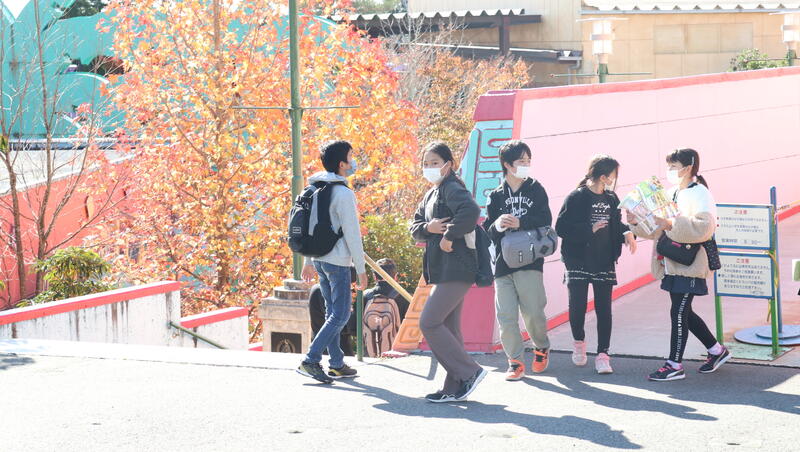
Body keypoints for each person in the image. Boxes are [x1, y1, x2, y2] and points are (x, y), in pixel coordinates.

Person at [627, 148, 730, 382]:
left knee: (679, 311)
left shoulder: (701, 193)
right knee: (684, 311)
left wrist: (671, 222)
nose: (670, 171)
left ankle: (674, 364)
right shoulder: (671, 192)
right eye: (669, 166)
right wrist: (636, 223)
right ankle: (716, 350)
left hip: (691, 262)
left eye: (674, 166)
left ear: (688, 167)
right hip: (673, 261)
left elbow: (704, 228)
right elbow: (658, 228)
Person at [410, 141, 487, 403]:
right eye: (426, 163)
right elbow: (414, 227)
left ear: (448, 165)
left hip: (458, 266)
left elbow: (471, 211)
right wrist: (429, 228)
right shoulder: (432, 193)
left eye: (435, 163)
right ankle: (453, 388)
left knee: (429, 322)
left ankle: (469, 371)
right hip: (443, 269)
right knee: (449, 328)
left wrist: (449, 235)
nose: (429, 167)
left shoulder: (451, 187)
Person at [556, 155, 637, 375]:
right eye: (613, 175)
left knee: (604, 309)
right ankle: (579, 342)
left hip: (604, 258)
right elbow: (561, 227)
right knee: (577, 306)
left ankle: (603, 355)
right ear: (603, 177)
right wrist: (589, 229)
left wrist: (627, 232)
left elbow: (615, 225)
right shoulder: (576, 196)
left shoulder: (611, 198)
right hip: (577, 259)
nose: (614, 180)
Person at [297, 140, 368, 384]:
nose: (353, 161)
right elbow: (352, 233)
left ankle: (336, 363)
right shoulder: (344, 194)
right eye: (351, 156)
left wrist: (308, 260)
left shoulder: (315, 189)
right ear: (341, 164)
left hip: (320, 259)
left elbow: (310, 228)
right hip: (338, 262)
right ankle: (311, 359)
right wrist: (361, 269)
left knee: (331, 313)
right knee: (341, 315)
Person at [483, 140, 553, 381]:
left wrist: (521, 222)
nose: (526, 165)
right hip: (502, 263)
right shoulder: (495, 195)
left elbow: (546, 220)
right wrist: (498, 224)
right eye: (521, 161)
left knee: (533, 312)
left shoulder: (536, 189)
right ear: (507, 164)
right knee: (506, 316)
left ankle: (541, 346)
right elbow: (487, 231)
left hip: (530, 260)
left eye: (528, 160)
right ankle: (515, 361)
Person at [308, 266, 359, 356]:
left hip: (322, 342)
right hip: (335, 347)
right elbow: (338, 321)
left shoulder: (319, 288)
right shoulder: (326, 291)